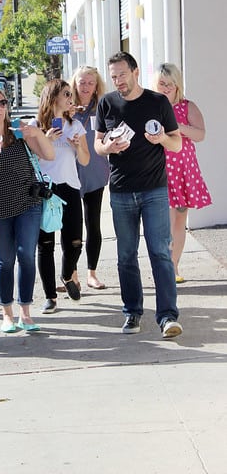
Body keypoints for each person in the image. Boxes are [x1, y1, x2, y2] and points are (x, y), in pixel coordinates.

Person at [95, 52, 183, 338]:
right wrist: (107, 148)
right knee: (125, 256)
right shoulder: (107, 103)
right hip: (120, 191)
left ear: (135, 72)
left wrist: (161, 139)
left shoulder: (157, 102)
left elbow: (177, 144)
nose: (118, 81)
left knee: (160, 253)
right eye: (113, 76)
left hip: (155, 190)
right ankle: (132, 313)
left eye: (122, 74)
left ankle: (168, 317)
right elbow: (97, 143)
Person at [0, 87, 55, 332]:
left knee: (26, 256)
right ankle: (6, 313)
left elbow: (49, 154)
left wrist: (37, 133)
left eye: (3, 102)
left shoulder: (18, 131)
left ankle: (25, 312)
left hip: (27, 203)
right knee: (5, 260)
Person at [30, 79, 90, 314]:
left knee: (75, 242)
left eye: (70, 94)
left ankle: (67, 274)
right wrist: (46, 139)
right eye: (66, 94)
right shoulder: (35, 126)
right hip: (46, 189)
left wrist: (78, 147)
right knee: (45, 245)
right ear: (53, 96)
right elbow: (34, 159)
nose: (70, 98)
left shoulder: (75, 126)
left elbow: (84, 160)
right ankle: (50, 297)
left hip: (70, 187)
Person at [153, 63, 212, 283]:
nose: (166, 87)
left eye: (170, 83)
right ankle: (165, 268)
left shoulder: (188, 106)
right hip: (159, 170)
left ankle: (174, 266)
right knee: (165, 223)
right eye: (161, 83)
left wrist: (178, 127)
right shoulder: (152, 107)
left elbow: (200, 134)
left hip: (184, 170)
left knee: (179, 220)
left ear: (178, 85)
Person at [70, 65, 110, 290]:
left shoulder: (104, 108)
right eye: (81, 82)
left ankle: (91, 273)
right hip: (71, 173)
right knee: (72, 227)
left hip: (95, 172)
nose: (85, 87)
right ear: (75, 83)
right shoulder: (66, 108)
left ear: (96, 87)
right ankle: (71, 273)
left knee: (93, 224)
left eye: (90, 83)